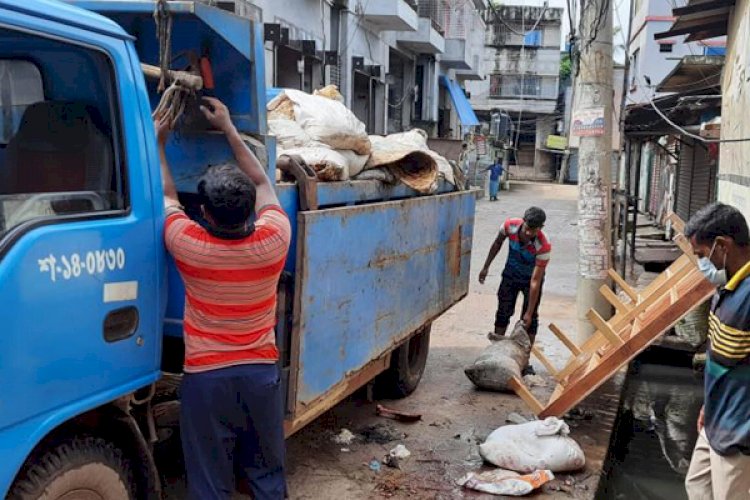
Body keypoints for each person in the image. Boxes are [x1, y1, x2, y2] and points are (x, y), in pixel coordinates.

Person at [157, 97, 290, 500]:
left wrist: (158, 143)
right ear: (251, 211)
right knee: (266, 475)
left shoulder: (189, 245)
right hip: (260, 376)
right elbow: (265, 182)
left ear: (206, 214)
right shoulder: (273, 240)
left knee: (210, 481)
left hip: (206, 379)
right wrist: (230, 129)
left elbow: (166, 196)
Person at [683, 203, 750, 500]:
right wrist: (707, 405)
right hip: (715, 418)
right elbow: (719, 356)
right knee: (697, 487)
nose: (701, 264)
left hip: (740, 431)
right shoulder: (727, 287)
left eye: (701, 255)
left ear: (722, 246)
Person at [478, 207, 550, 374]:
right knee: (503, 312)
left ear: (541, 228)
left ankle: (524, 362)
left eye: (533, 230)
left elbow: (535, 281)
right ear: (523, 221)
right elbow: (497, 243)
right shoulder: (509, 226)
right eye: (527, 228)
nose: (528, 233)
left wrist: (529, 312)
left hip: (530, 280)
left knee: (529, 322)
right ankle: (495, 353)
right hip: (510, 275)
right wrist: (485, 267)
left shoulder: (543, 247)